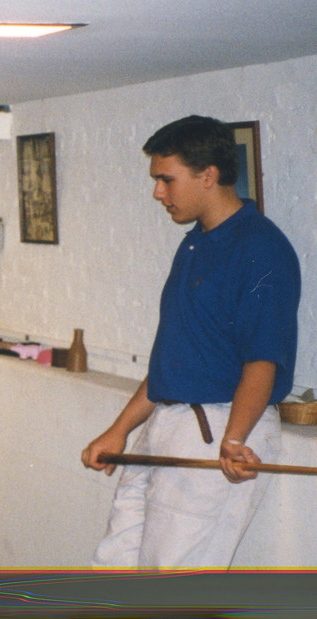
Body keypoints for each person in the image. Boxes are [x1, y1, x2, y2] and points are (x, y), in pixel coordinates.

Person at [81, 115, 301, 568]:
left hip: (217, 428)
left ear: (208, 175)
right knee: (116, 562)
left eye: (166, 179)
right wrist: (120, 429)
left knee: (172, 582)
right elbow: (176, 358)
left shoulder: (261, 249)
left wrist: (234, 439)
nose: (157, 192)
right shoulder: (196, 243)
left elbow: (263, 361)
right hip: (168, 421)